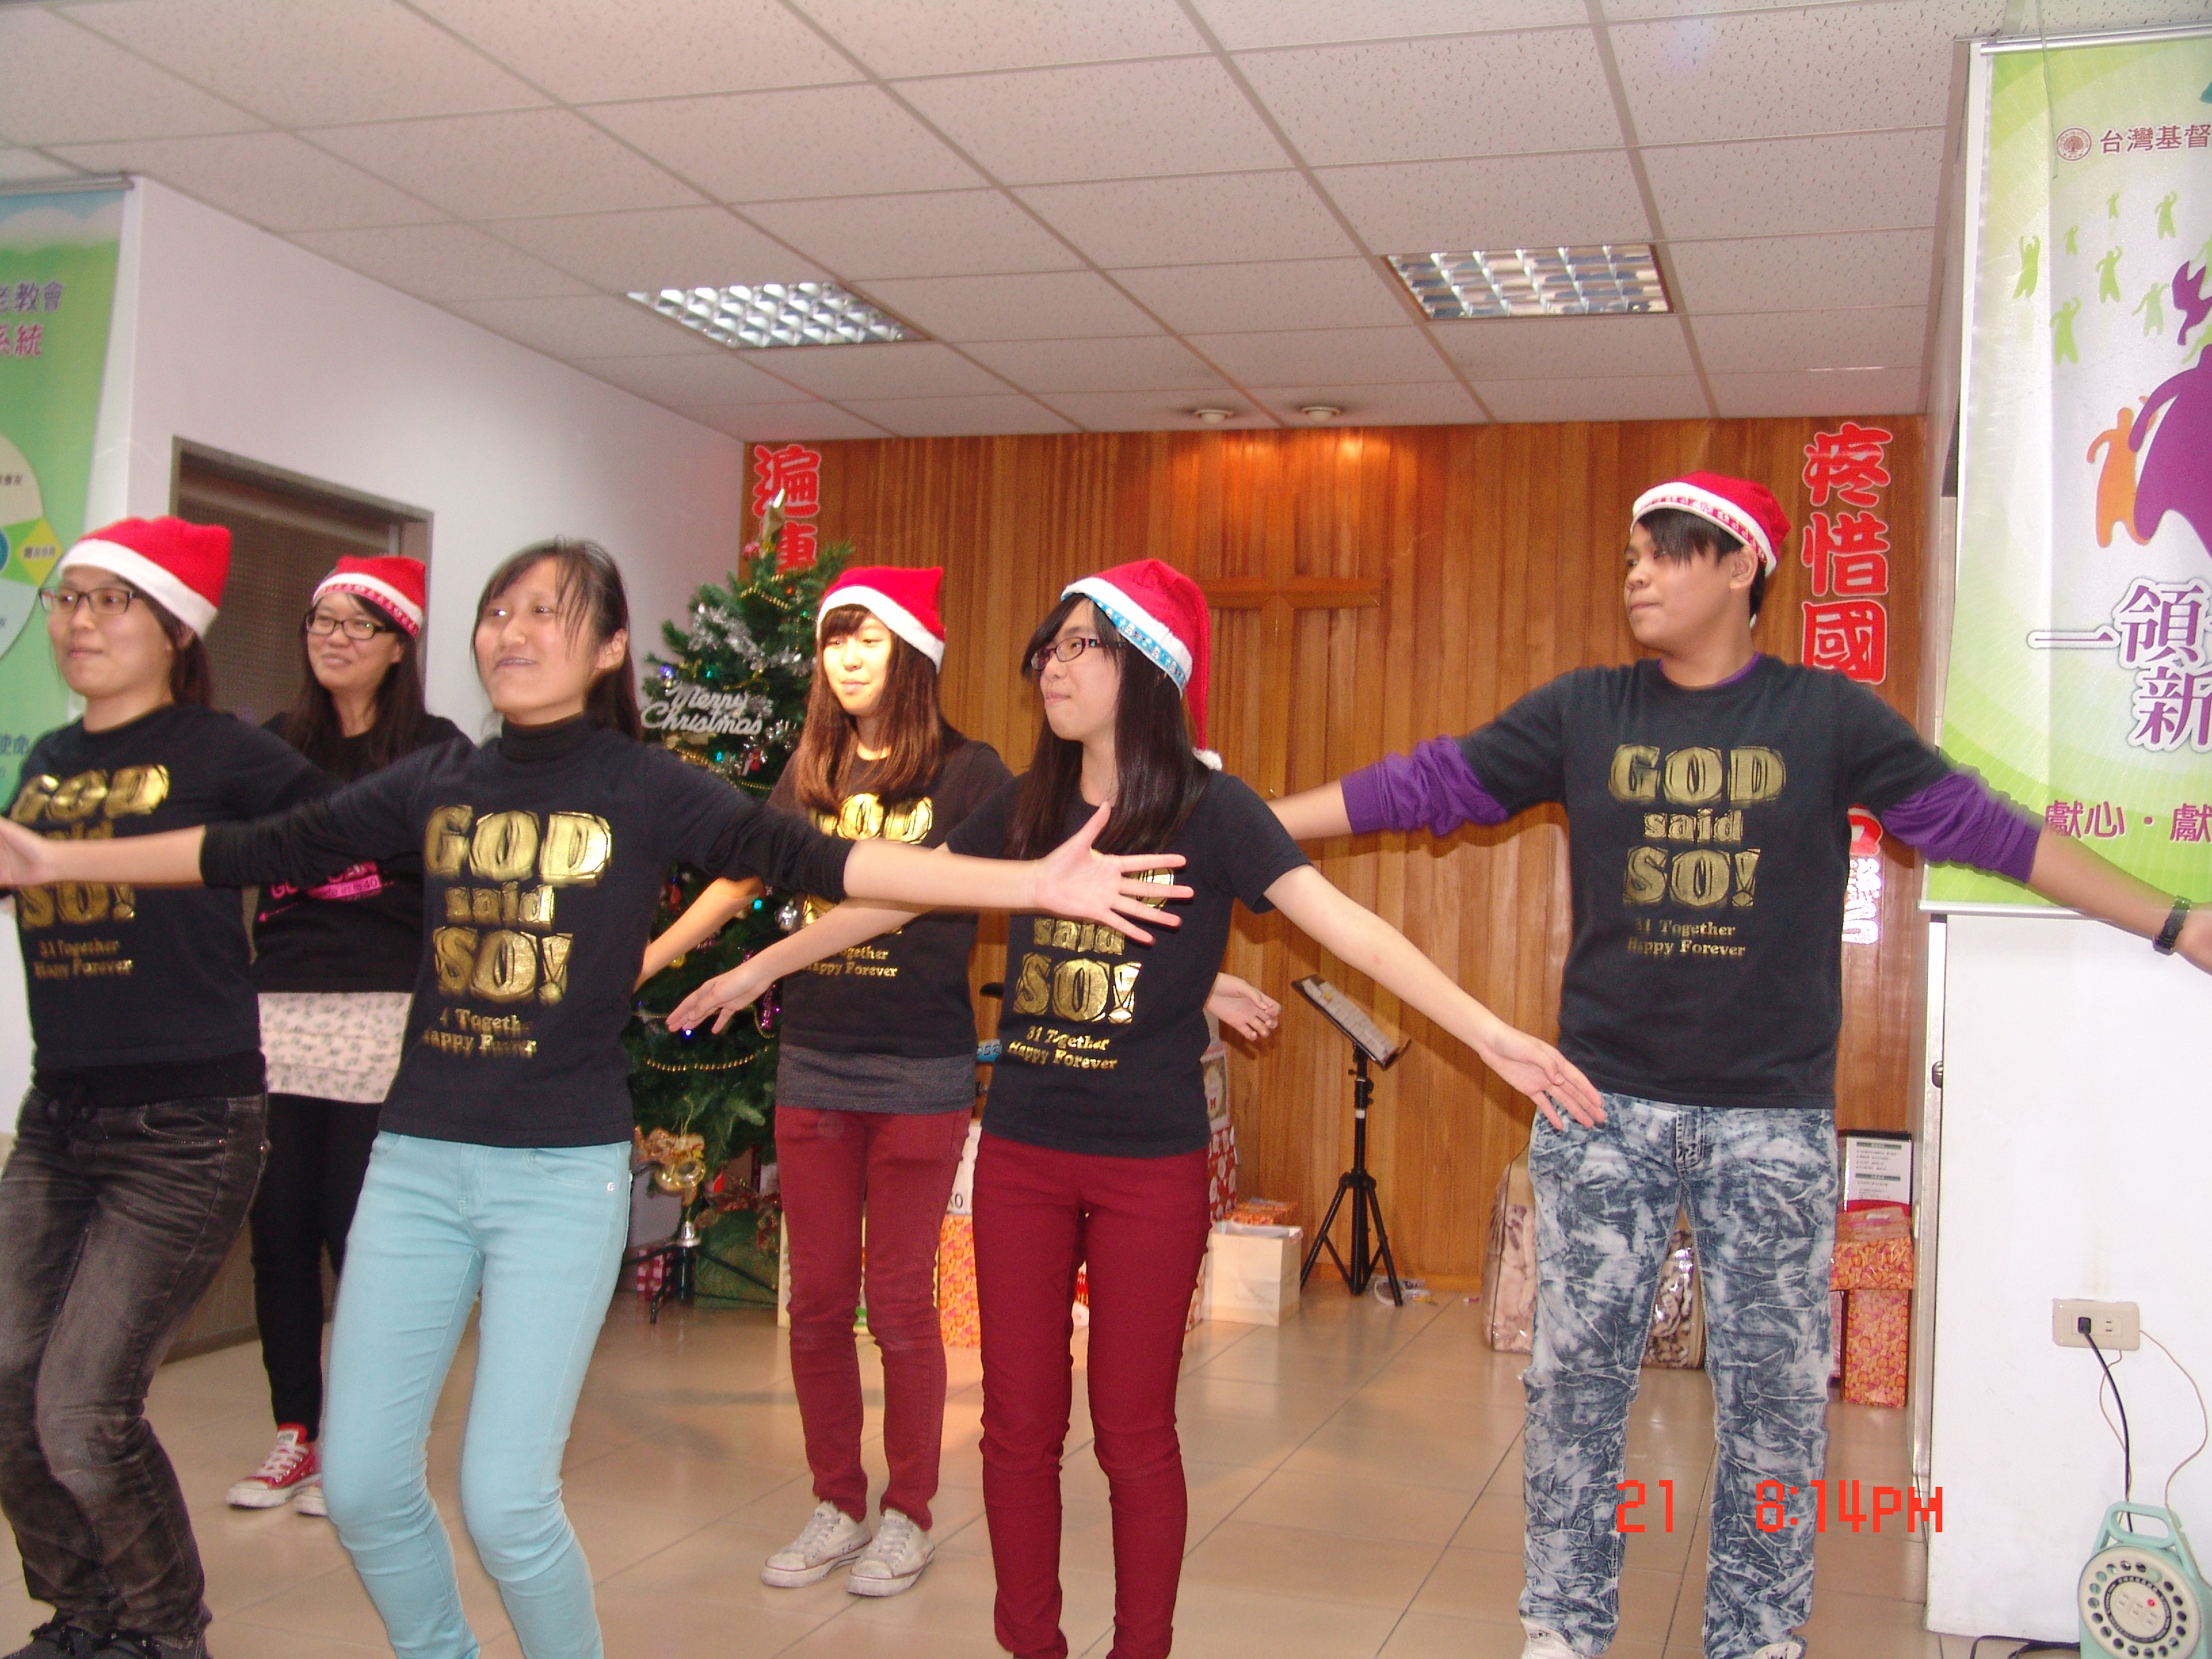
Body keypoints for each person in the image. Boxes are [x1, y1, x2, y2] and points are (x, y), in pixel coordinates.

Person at [0, 538, 1199, 1659]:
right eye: (499, 612)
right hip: (415, 1165)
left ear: (610, 646)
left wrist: (1028, 882)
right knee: (361, 1486)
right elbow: (257, 850)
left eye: (548, 613)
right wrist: (57, 861)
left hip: (555, 1175)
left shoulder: (645, 785)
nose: (514, 632)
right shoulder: (439, 780)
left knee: (505, 1503)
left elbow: (821, 861)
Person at [1267, 473, 2212, 1659]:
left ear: (1740, 569)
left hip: (1770, 1118)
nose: (1639, 574)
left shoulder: (1828, 719)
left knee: (1776, 1406)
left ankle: (1758, 1636)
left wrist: (2173, 923)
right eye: (1632, 554)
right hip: (1601, 1107)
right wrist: (1253, 821)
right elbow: (1430, 784)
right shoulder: (1587, 712)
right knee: (1574, 1390)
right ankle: (1563, 1630)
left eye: (1667, 552)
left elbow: (1984, 828)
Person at [667, 558, 1605, 1659]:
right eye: (1050, 646)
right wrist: (760, 967)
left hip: (1148, 1166)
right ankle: (1032, 1645)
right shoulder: (1029, 802)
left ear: (1149, 667)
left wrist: (1491, 1034)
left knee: (1134, 1432)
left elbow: (1348, 926)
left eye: (1082, 645)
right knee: (1018, 1431)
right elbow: (895, 893)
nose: (1052, 666)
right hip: (1022, 1153)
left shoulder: (1216, 811)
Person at [638, 566, 1278, 1599]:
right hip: (848, 1069)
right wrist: (733, 966)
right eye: (834, 639)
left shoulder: (994, 776)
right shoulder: (841, 771)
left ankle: (910, 1515)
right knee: (837, 1314)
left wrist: (1202, 979)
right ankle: (846, 1506)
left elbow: (1105, 900)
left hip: (946, 1077)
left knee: (925, 1315)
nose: (847, 659)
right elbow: (806, 878)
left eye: (869, 638)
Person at [0, 518, 328, 1659]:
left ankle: (160, 1635)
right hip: (59, 1113)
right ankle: (81, 1615)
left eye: (111, 600)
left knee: (81, 1411)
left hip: (185, 1122)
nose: (79, 622)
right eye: (67, 599)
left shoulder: (222, 751)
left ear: (175, 626)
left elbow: (340, 835)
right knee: (8, 1388)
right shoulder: (48, 759)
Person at [225, 556, 464, 1518]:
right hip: (279, 1008)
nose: (333, 638)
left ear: (398, 645)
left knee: (357, 1234)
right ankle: (299, 1432)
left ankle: (369, 1442)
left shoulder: (436, 753)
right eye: (320, 621)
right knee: (278, 1229)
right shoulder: (273, 748)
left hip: (385, 1010)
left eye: (357, 624)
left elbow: (456, 889)